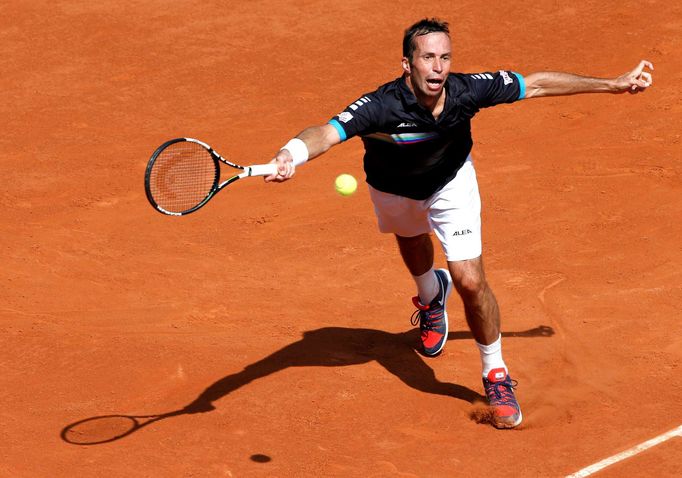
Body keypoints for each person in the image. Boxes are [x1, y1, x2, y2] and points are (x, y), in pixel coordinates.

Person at [264, 18, 653, 429]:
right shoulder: (380, 105)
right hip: (393, 190)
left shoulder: (467, 91)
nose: (438, 68)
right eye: (428, 57)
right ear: (406, 63)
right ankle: (431, 295)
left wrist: (612, 83)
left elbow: (534, 84)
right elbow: (326, 132)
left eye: (445, 57)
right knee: (412, 244)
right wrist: (291, 153)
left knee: (470, 279)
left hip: (451, 183)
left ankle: (495, 374)